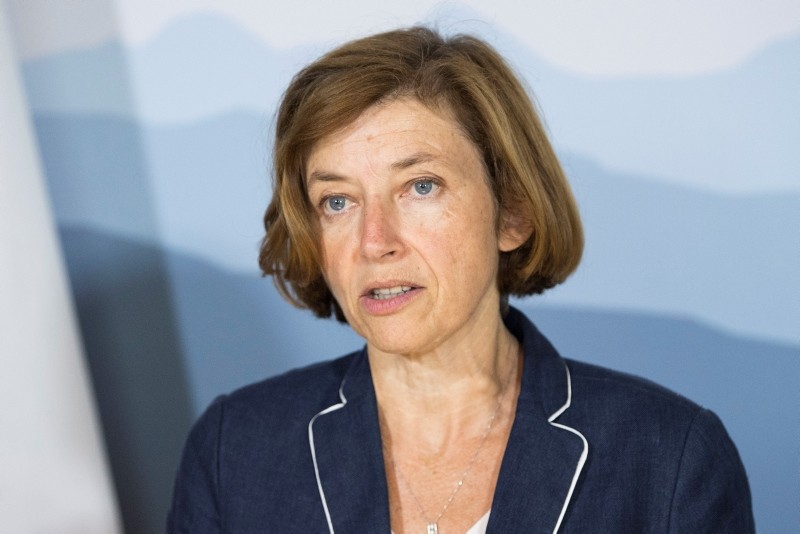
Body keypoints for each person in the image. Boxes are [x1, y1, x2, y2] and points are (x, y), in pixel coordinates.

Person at [168, 26, 754, 533]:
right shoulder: (234, 450)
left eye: (420, 186)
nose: (374, 240)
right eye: (337, 201)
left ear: (512, 212)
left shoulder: (669, 458)